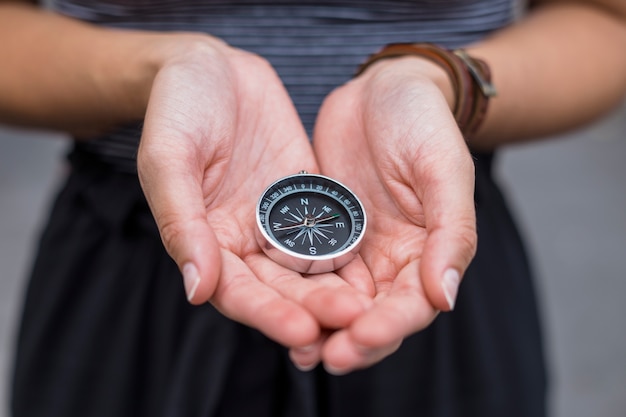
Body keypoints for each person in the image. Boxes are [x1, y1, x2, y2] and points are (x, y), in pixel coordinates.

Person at [1, 0, 625, 416]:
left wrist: (443, 81)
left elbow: (607, 21)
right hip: (126, 272)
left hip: (420, 239)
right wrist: (161, 69)